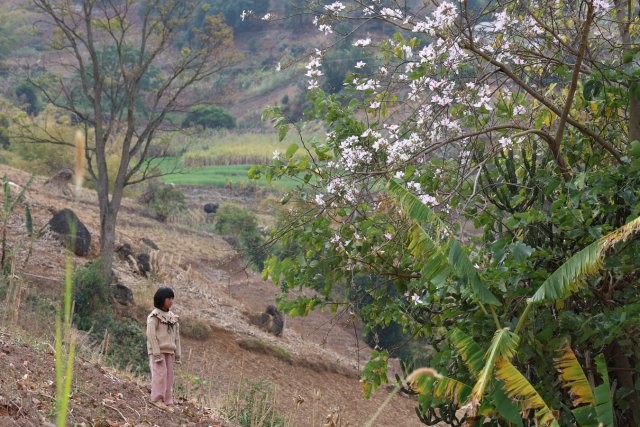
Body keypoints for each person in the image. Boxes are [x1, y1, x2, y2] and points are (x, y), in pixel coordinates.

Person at [146, 287, 181, 412]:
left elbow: (176, 337)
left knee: (169, 375)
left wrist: (178, 354)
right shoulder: (154, 316)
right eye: (168, 298)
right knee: (160, 374)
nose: (171, 301)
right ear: (161, 299)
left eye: (172, 298)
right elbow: (151, 336)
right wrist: (156, 353)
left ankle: (167, 400)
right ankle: (156, 399)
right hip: (158, 351)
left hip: (169, 351)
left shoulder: (173, 317)